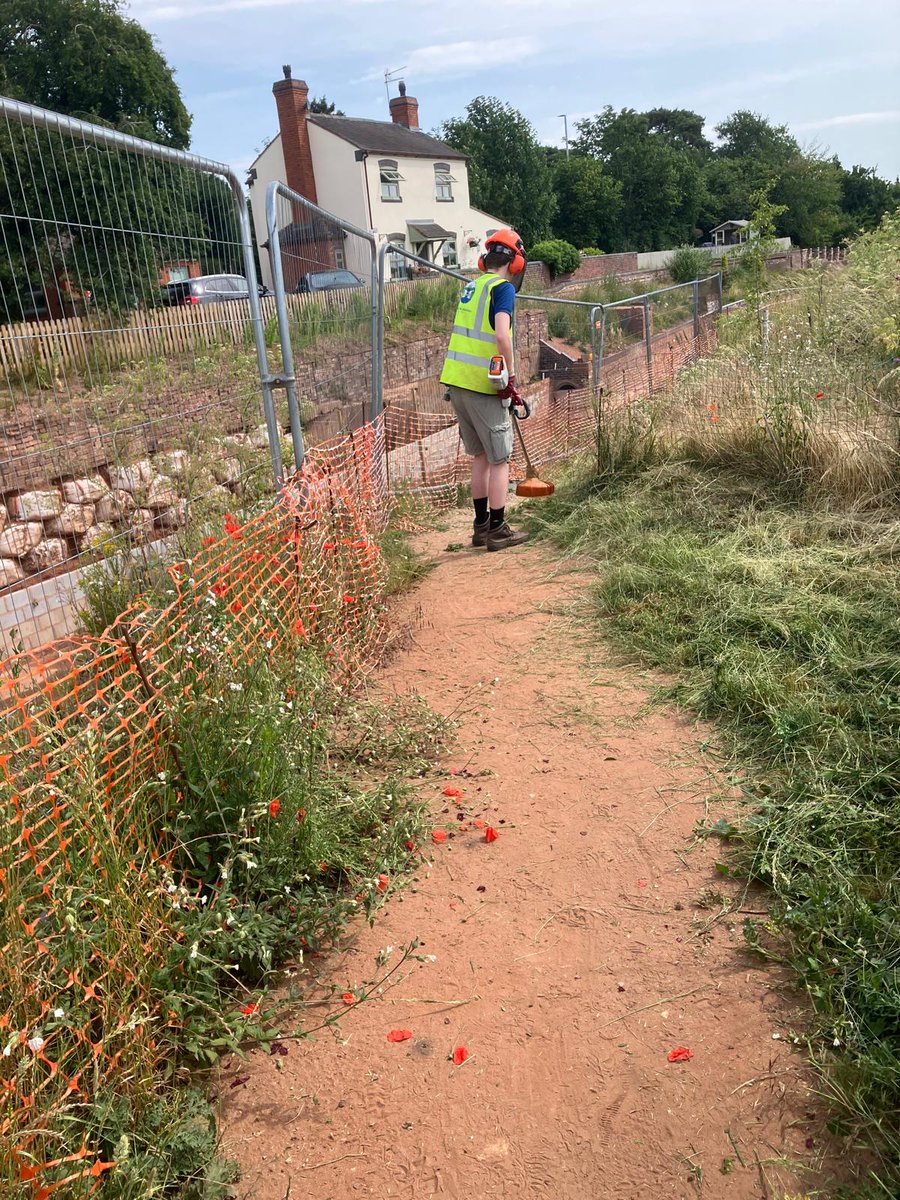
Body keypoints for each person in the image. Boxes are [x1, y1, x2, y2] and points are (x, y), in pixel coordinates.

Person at [440, 229, 529, 551]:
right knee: (500, 459)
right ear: (516, 262)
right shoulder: (502, 289)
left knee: (479, 456)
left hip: (456, 382)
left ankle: (480, 528)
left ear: (485, 259)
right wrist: (511, 376)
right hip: (483, 385)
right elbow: (502, 336)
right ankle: (498, 529)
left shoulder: (471, 286)